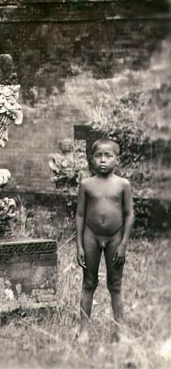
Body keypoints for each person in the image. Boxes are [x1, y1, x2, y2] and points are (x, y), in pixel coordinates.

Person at [75, 137, 134, 342]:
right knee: (89, 283)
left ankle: (120, 331)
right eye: (98, 155)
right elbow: (80, 215)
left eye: (108, 156)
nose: (102, 160)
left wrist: (123, 244)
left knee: (115, 285)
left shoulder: (122, 185)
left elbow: (129, 214)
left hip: (115, 238)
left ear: (117, 160)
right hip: (91, 236)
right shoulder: (86, 184)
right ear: (91, 159)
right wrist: (80, 246)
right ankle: (83, 330)